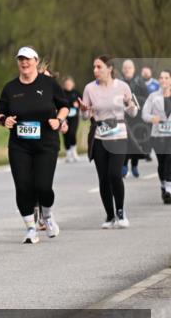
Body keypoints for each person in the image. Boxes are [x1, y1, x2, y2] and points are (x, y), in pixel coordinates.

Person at [0, 47, 69, 244]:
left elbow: (64, 105)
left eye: (28, 59)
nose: (24, 63)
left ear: (36, 61)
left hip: (46, 143)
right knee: (23, 186)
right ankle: (30, 228)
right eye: (21, 60)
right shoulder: (10, 88)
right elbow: (0, 113)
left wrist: (59, 120)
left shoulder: (48, 83)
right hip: (20, 146)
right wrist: (5, 121)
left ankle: (48, 215)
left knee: (43, 186)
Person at [81, 54, 140, 228]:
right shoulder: (89, 89)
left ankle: (120, 212)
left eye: (99, 67)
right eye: (94, 67)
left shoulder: (122, 86)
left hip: (119, 135)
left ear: (109, 69)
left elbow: (134, 113)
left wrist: (129, 103)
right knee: (103, 179)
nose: (95, 70)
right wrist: (85, 110)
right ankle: (109, 215)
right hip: (100, 137)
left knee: (115, 174)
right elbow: (85, 116)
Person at [141, 69, 171, 204]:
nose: (163, 80)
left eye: (166, 77)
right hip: (157, 135)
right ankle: (163, 186)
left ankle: (169, 189)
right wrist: (155, 118)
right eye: (161, 77)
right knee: (162, 163)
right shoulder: (153, 96)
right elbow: (144, 115)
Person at [120, 59, 150, 177]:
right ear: (122, 70)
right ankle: (124, 165)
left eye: (129, 68)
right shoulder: (119, 83)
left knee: (136, 142)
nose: (127, 70)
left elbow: (147, 98)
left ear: (133, 69)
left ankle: (134, 165)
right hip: (124, 117)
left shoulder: (140, 82)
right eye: (125, 68)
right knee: (125, 141)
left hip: (138, 117)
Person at [60, 76, 81, 162]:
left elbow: (83, 103)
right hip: (64, 117)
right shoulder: (61, 93)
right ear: (64, 85)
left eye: (70, 84)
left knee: (72, 133)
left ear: (73, 84)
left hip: (74, 117)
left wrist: (78, 105)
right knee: (65, 135)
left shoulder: (76, 93)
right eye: (67, 84)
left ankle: (74, 151)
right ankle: (68, 153)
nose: (68, 85)